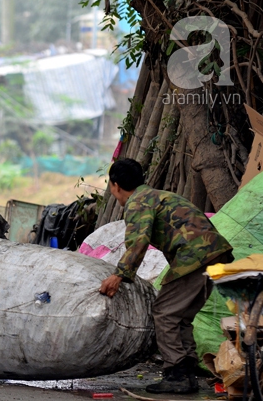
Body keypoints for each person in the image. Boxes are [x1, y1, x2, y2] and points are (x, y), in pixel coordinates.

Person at [99, 158, 233, 394]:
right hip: (215, 255)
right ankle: (187, 374)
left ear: (115, 185)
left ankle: (176, 373)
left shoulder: (137, 202)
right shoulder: (158, 195)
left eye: (112, 187)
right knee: (179, 317)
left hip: (195, 256)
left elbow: (138, 241)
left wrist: (118, 276)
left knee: (164, 312)